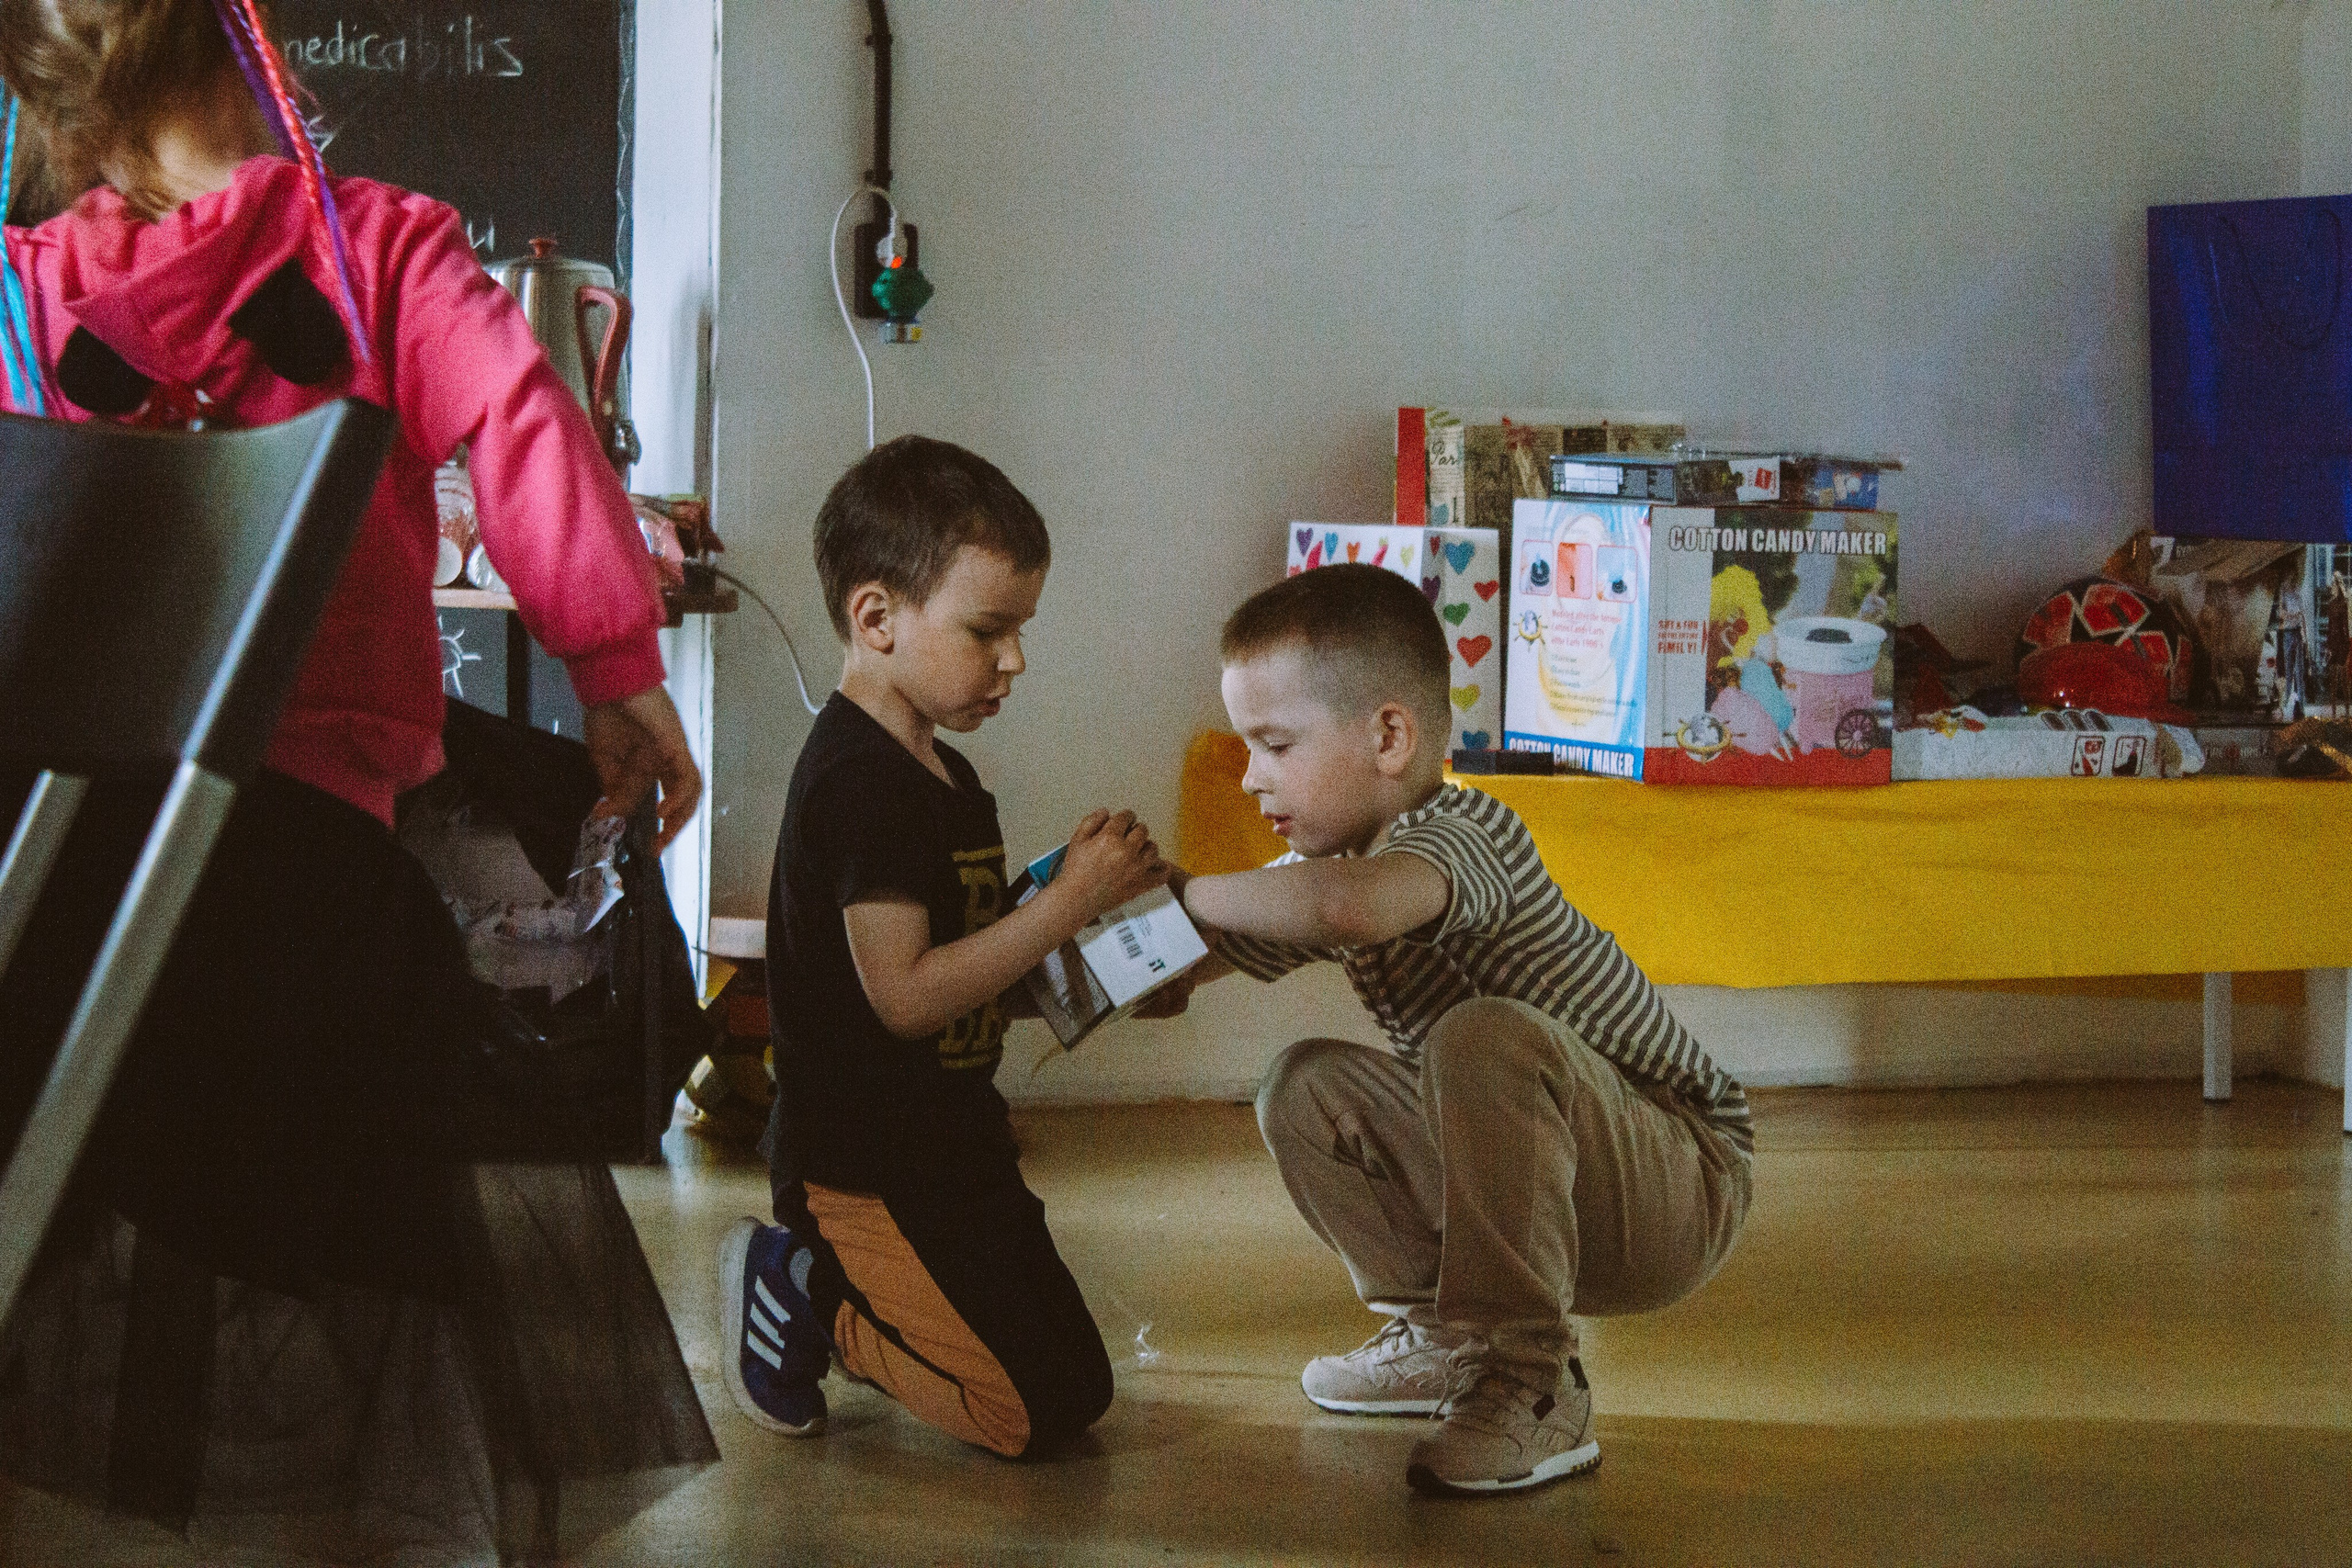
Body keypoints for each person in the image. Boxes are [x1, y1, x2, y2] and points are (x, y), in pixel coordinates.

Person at [0, 1, 706, 1555]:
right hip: (299, 906)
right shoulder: (380, 249)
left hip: (39, 908)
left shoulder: (17, 291)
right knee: (379, 1019)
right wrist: (617, 672)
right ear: (249, 49)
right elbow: (525, 424)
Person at [1154, 563, 1754, 1496]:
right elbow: (1175, 968)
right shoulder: (1336, 866)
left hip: (1678, 1179)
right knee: (1305, 1083)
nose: (1247, 775)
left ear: (1388, 735)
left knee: (1479, 1037)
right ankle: (1446, 1336)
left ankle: (1535, 1382)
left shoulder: (1464, 833)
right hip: (1556, 1174)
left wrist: (1182, 887)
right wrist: (1036, 954)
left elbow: (1346, 909)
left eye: (1272, 744)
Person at [719, 434, 1165, 1459]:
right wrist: (1060, 910)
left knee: (1078, 1391)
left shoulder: (946, 779)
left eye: (1021, 630)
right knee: (1016, 1413)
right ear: (876, 618)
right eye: (988, 630)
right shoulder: (857, 783)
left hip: (958, 1149)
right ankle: (801, 1288)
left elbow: (977, 983)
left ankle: (851, 1296)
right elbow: (908, 998)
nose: (1015, 659)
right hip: (864, 1169)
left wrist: (1110, 966)